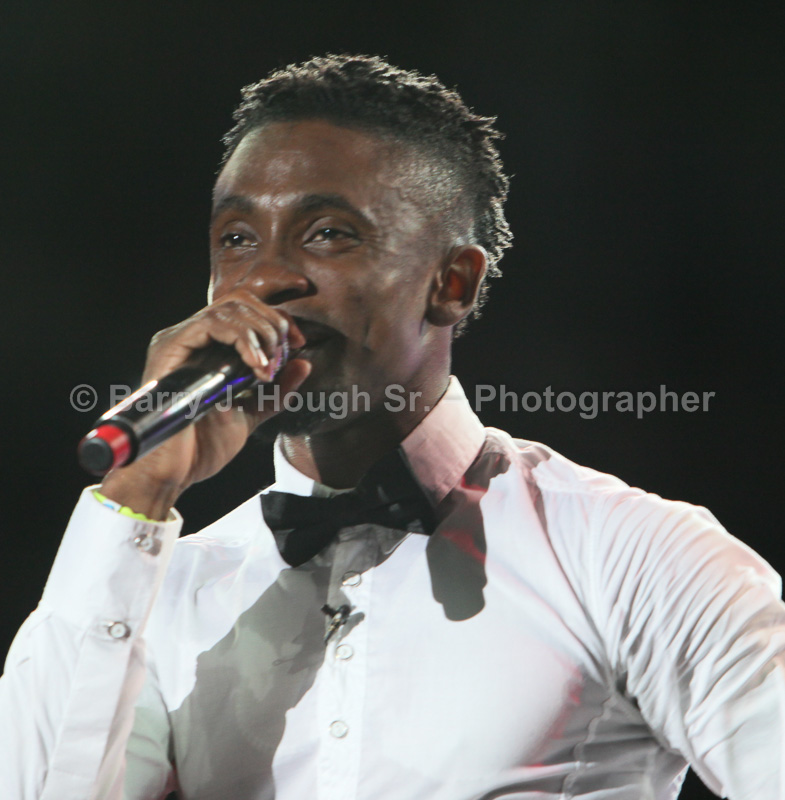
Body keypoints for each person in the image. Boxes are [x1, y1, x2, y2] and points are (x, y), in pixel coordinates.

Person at [1, 54, 783, 800]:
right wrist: (137, 495)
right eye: (236, 239)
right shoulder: (161, 591)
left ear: (452, 283)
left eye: (327, 233)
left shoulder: (633, 556)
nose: (263, 279)